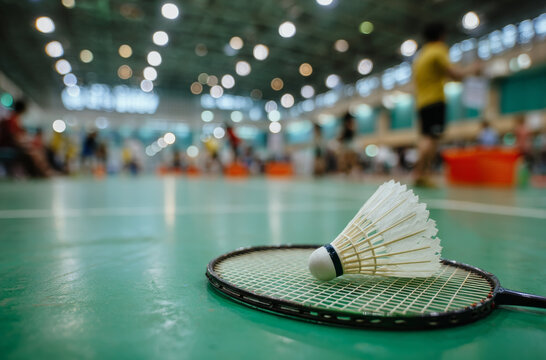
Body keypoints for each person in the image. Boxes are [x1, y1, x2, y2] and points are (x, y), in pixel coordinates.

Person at [412, 22, 481, 187]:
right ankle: (421, 173)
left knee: (426, 137)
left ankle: (420, 174)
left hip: (421, 102)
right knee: (432, 139)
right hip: (435, 100)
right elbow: (455, 74)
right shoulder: (438, 50)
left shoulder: (420, 57)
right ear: (441, 35)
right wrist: (473, 69)